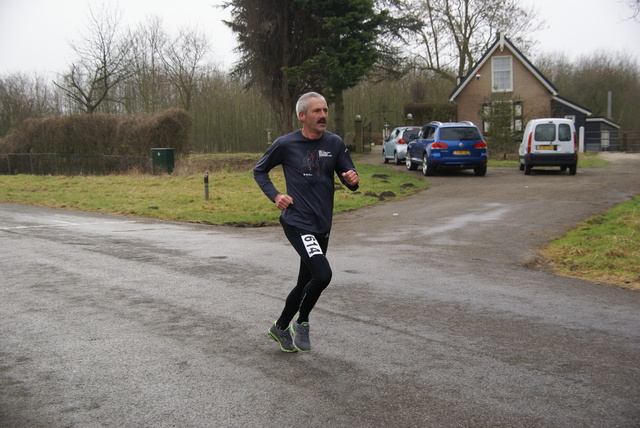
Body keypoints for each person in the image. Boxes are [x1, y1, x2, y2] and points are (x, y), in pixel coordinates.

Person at [254, 92, 360, 353]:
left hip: (322, 223)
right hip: (297, 221)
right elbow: (260, 170)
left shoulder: (334, 143)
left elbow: (349, 175)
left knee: (305, 282)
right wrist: (276, 195)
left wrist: (351, 179)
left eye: (325, 110)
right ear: (302, 116)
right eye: (316, 111)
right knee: (323, 275)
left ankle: (279, 328)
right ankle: (302, 322)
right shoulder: (285, 144)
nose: (323, 115)